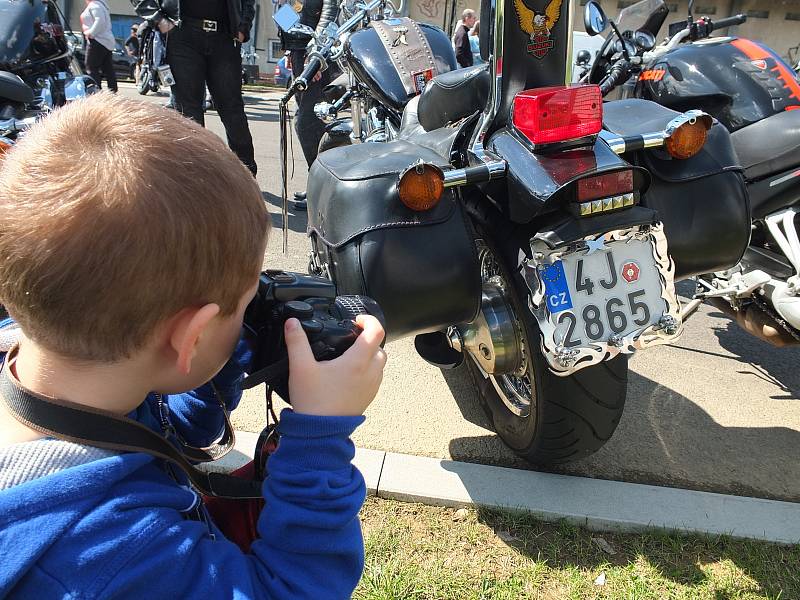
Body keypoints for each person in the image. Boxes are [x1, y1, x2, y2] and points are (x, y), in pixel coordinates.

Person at [0, 93, 387, 598]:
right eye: (245, 303)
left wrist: (231, 350)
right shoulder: (115, 554)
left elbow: (167, 429)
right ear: (193, 336)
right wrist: (319, 438)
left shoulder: (63, 374)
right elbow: (287, 590)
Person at [130, 0, 258, 176]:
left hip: (225, 36)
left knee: (233, 112)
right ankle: (195, 177)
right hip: (182, 35)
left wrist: (243, 27)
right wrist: (159, 20)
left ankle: (247, 176)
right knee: (188, 113)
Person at [279, 0, 339, 210]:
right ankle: (320, 184)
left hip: (318, 55)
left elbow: (330, 12)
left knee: (306, 123)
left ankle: (324, 188)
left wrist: (317, 52)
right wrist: (290, 50)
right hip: (300, 53)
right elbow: (285, 10)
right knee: (313, 124)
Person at [80, 0, 118, 92]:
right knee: (107, 67)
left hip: (97, 40)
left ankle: (96, 91)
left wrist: (90, 33)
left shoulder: (95, 5)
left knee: (91, 67)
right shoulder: (101, 5)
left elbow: (99, 21)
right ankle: (112, 90)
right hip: (105, 40)